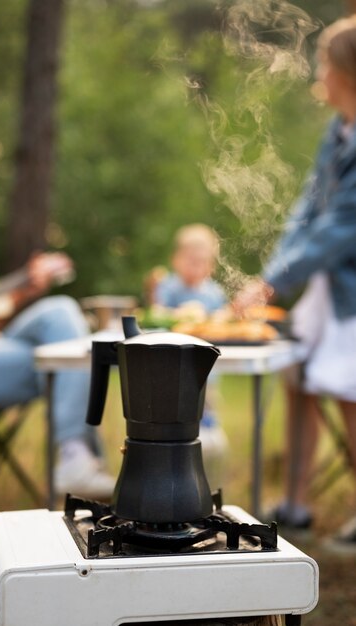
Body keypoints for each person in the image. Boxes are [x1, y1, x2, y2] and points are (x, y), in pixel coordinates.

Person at [233, 16, 356, 549]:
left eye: (325, 62)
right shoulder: (340, 128)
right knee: (298, 375)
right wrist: (270, 275)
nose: (318, 72)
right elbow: (308, 210)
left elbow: (339, 228)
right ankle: (296, 502)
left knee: (351, 394)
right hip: (334, 285)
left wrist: (273, 283)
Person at [0, 130, 115, 500]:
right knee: (71, 360)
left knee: (61, 312)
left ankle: (73, 457)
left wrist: (24, 291)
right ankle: (76, 457)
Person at [153, 223, 229, 468]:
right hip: (173, 365)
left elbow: (222, 322)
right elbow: (158, 315)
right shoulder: (170, 287)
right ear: (176, 260)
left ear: (211, 266)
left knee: (206, 396)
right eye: (191, 261)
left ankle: (206, 425)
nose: (196, 267)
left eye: (202, 262)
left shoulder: (214, 293)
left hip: (207, 367)